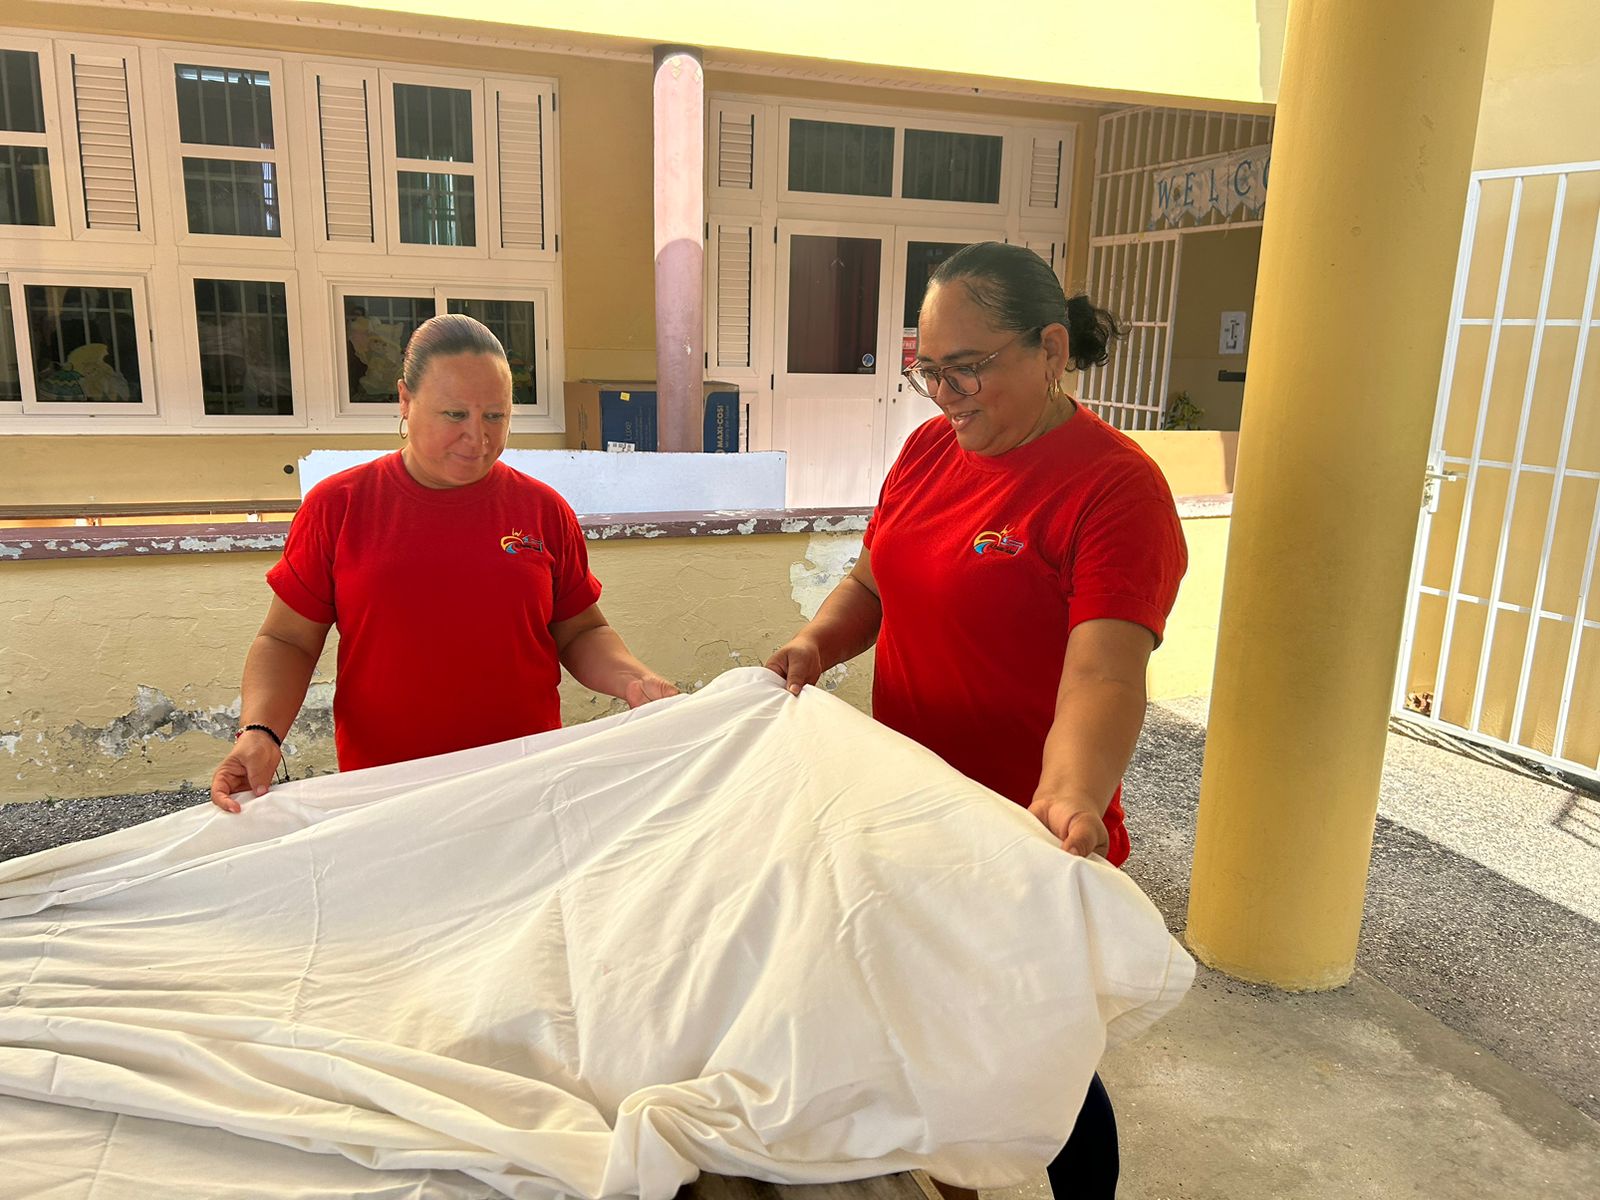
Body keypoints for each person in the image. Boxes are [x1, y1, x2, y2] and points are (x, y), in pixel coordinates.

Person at [766, 241, 1187, 1199]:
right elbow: (874, 580)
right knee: (926, 1047)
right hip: (906, 812)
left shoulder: (1114, 487)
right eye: (928, 371)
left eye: (968, 367)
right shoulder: (928, 452)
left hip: (1023, 830)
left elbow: (1105, 671)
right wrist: (810, 648)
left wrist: (1071, 795)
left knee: (1035, 1066)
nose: (945, 394)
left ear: (1049, 348)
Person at [211, 314, 677, 811]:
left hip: (525, 778)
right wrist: (260, 731)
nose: (477, 439)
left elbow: (581, 631)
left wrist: (633, 679)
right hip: (387, 788)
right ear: (405, 402)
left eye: (495, 416)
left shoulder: (542, 510)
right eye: (455, 415)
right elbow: (287, 640)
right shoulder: (339, 506)